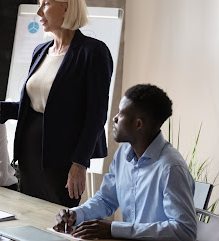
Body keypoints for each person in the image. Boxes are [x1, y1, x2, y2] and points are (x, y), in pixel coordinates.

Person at [0, 0, 113, 207]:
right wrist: (0, 107)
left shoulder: (93, 52)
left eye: (46, 4)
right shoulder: (41, 51)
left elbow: (96, 115)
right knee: (29, 214)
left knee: (59, 220)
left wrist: (79, 163)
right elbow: (36, 105)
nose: (38, 12)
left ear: (67, 8)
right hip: (29, 151)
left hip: (63, 156)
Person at [53, 84, 197, 241]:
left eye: (120, 114)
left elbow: (184, 230)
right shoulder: (123, 154)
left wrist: (114, 229)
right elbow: (106, 199)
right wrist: (76, 214)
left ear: (138, 124)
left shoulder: (171, 168)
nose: (114, 118)